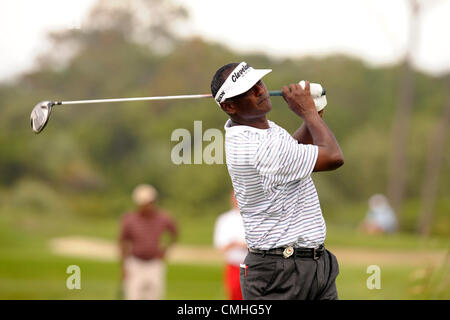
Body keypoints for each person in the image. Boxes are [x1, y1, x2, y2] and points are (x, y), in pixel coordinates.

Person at [210, 62, 344, 300]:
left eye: (258, 84)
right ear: (229, 106)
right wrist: (309, 114)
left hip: (312, 264)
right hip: (278, 272)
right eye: (248, 91)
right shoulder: (254, 147)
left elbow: (292, 152)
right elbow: (334, 158)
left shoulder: (262, 130)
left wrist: (314, 115)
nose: (260, 91)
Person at [119, 184, 178, 300]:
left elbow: (174, 233)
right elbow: (122, 241)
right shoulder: (129, 219)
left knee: (154, 296)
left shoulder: (163, 218)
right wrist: (124, 266)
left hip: (155, 264)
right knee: (134, 296)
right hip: (135, 263)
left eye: (150, 202)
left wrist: (165, 250)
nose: (148, 206)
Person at [213, 191, 247, 300]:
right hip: (234, 264)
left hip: (252, 264)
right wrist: (235, 244)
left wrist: (241, 244)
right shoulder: (225, 219)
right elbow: (221, 245)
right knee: (234, 295)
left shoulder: (253, 217)